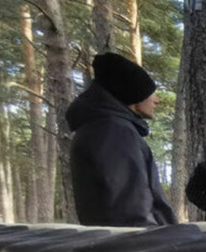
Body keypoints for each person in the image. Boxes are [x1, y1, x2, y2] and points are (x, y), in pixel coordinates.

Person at [67, 52, 177, 226]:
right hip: (136, 245)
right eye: (151, 93)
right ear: (132, 94)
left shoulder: (104, 127)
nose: (157, 100)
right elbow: (130, 209)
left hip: (127, 243)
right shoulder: (113, 132)